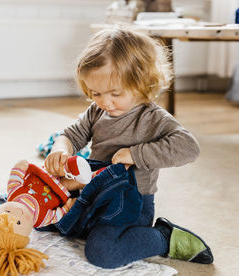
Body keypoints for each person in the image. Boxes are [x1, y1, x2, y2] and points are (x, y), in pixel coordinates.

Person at [45, 26, 213, 268]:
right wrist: (60, 150)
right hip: (93, 193)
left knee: (102, 253)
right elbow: (71, 134)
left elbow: (189, 147)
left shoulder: (153, 117)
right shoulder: (98, 110)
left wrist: (137, 154)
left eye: (115, 93)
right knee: (44, 213)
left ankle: (163, 237)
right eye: (96, 93)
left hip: (130, 205)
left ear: (141, 83)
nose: (105, 102)